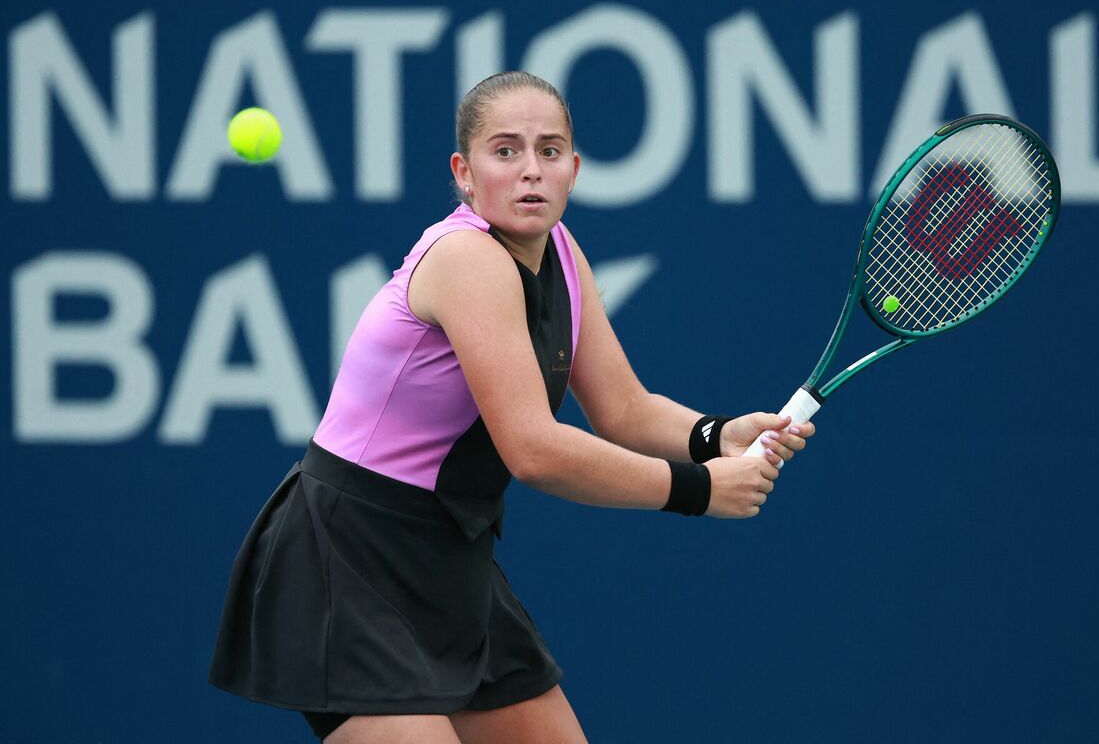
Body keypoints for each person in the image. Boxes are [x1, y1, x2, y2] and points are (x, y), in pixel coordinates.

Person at [209, 71, 814, 743]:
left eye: (549, 151)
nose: (531, 171)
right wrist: (698, 489)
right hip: (351, 558)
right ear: (465, 172)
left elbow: (624, 408)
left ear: (574, 169)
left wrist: (716, 435)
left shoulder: (560, 251)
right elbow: (531, 450)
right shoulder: (467, 258)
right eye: (506, 151)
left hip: (448, 557)